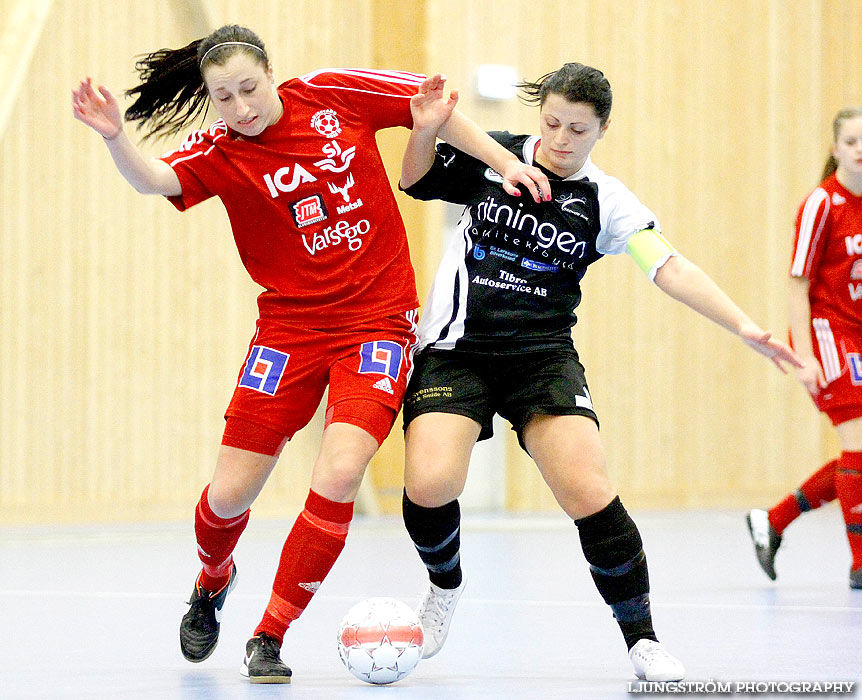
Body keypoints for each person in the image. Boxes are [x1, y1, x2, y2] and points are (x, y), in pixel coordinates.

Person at [72, 25, 551, 684]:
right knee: (227, 498)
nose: (240, 107)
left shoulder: (332, 95)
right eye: (224, 97)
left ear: (271, 74)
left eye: (249, 88)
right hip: (288, 331)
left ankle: (270, 633)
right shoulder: (219, 149)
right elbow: (154, 178)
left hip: (377, 324)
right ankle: (214, 579)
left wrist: (506, 164)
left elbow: (429, 110)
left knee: (339, 473)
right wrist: (113, 137)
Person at [396, 63, 802, 682]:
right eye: (552, 123)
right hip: (459, 349)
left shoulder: (606, 200)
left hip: (541, 358)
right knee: (429, 484)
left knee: (588, 491)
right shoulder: (496, 157)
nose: (561, 139)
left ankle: (642, 640)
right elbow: (416, 177)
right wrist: (425, 129)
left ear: (601, 131)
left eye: (578, 130)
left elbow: (666, 266)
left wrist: (743, 325)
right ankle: (444, 584)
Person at [746, 107, 862, 590]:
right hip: (828, 336)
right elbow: (798, 284)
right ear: (835, 148)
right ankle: (860, 564)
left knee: (857, 457)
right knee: (858, 448)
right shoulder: (822, 203)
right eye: (852, 141)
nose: (860, 150)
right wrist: (807, 356)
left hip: (858, 333)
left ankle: (772, 522)